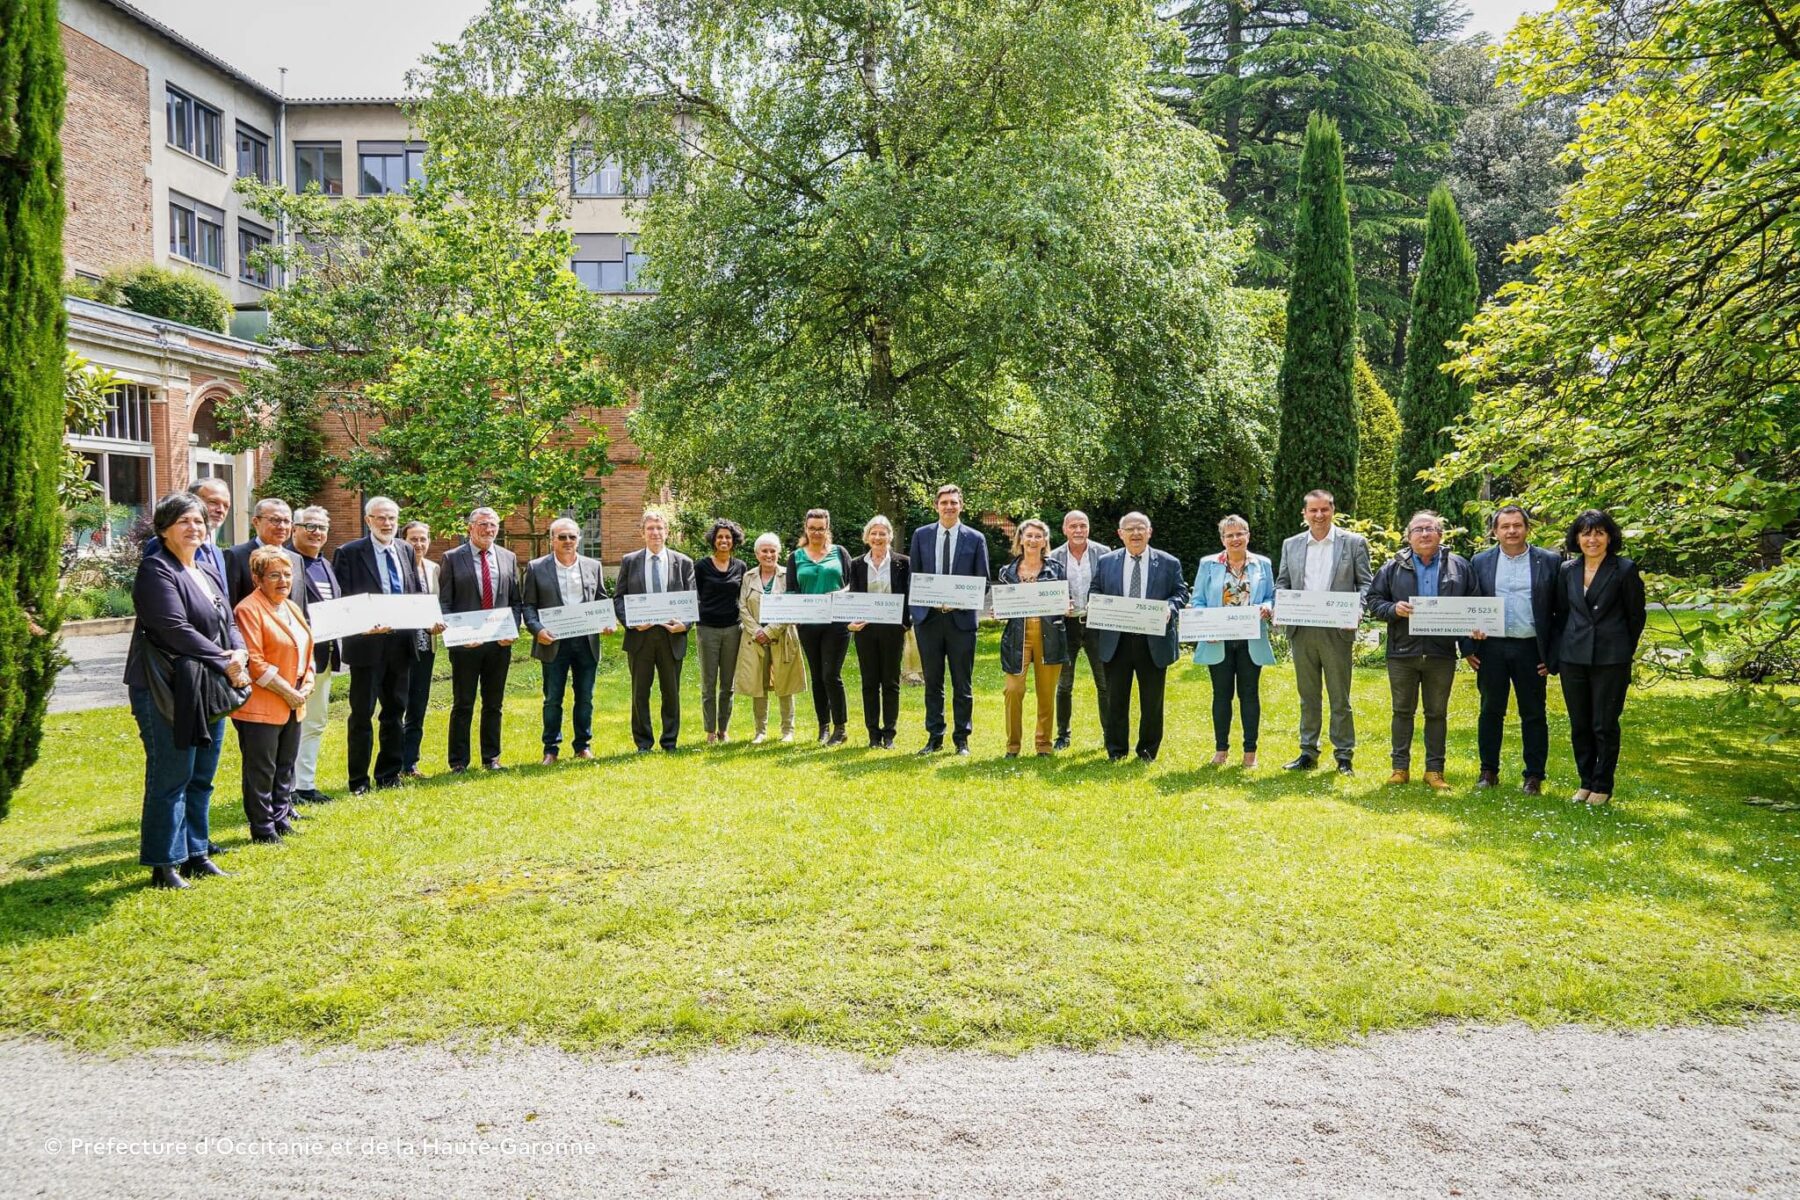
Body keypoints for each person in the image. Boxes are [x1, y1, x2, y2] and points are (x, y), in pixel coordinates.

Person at [126, 491, 250, 889]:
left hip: (207, 685)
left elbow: (227, 619)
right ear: (164, 529)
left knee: (202, 773)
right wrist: (224, 659)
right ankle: (165, 864)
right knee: (171, 774)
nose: (194, 527)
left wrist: (240, 651)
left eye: (198, 521)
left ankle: (197, 853)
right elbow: (172, 629)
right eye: (184, 521)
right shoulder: (156, 570)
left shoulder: (206, 567)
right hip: (166, 687)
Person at [1365, 511, 1481, 790]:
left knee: (1437, 713)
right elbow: (1373, 601)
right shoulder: (1393, 566)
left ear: (1441, 534)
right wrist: (1394, 609)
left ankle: (1434, 771)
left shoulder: (1459, 567)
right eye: (1418, 529)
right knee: (1402, 711)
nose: (1425, 534)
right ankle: (1399, 768)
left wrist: (1469, 643)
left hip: (1441, 653)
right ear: (1409, 537)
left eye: (1430, 528)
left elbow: (1473, 604)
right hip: (1402, 653)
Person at [333, 496, 436, 794]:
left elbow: (414, 591)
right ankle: (359, 781)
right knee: (362, 714)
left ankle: (389, 775)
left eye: (392, 518)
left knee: (395, 711)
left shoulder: (405, 549)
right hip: (367, 646)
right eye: (380, 518)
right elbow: (343, 601)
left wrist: (427, 619)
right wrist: (363, 623)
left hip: (400, 645)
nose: (387, 524)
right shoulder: (349, 553)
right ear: (368, 521)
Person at [1274, 489, 1373, 775]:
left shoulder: (1353, 543)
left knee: (1339, 696)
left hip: (1337, 630)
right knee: (1308, 695)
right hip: (1302, 629)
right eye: (1313, 510)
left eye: (1324, 510)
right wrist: (1280, 603)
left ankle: (1344, 756)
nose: (1319, 515)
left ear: (1333, 511)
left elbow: (1366, 583)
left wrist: (1357, 609)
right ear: (1304, 514)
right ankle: (1308, 752)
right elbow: (1282, 583)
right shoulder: (1291, 545)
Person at [1463, 505, 1561, 795]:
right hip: (1491, 648)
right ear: (1495, 532)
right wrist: (1469, 645)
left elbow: (1561, 611)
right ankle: (1488, 771)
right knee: (1490, 711)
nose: (1512, 531)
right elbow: (1468, 605)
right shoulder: (1479, 562)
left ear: (1527, 528)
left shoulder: (1549, 561)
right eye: (1505, 527)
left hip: (1532, 648)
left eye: (1517, 525)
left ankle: (1533, 776)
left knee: (1533, 713)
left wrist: (1551, 656)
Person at [1551, 509, 1647, 805]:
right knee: (1580, 723)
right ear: (1577, 538)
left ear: (1609, 537)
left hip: (1611, 658)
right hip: (1573, 657)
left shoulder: (1625, 569)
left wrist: (1621, 650)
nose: (1592, 539)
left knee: (1604, 724)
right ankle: (1585, 782)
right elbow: (1561, 613)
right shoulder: (1567, 570)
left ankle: (1602, 785)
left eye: (1599, 533)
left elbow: (1636, 617)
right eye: (1586, 533)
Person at [1090, 512, 1190, 762]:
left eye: (1140, 528)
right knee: (1115, 700)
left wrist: (1170, 607)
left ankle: (1147, 751)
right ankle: (1116, 750)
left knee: (1152, 702)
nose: (1135, 533)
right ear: (1120, 534)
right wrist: (1097, 605)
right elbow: (1096, 590)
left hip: (1153, 641)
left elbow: (1181, 592)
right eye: (1130, 529)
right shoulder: (1106, 562)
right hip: (1117, 641)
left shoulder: (1169, 562)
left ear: (1150, 532)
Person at [231, 547, 315, 844]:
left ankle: (281, 817)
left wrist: (308, 682)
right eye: (274, 575)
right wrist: (289, 691)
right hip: (263, 703)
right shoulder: (247, 609)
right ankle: (263, 828)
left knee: (285, 764)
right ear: (257, 578)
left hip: (294, 701)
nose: (283, 581)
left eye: (288, 575)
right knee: (261, 769)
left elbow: (307, 648)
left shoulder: (290, 607)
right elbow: (255, 662)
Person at [907, 484, 990, 755]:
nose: (949, 507)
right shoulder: (921, 535)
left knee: (962, 683)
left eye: (954, 502)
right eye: (944, 503)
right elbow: (915, 577)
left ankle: (962, 739)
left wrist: (959, 599)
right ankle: (934, 736)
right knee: (932, 681)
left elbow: (984, 582)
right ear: (936, 506)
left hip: (961, 621)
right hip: (928, 620)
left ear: (961, 506)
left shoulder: (975, 538)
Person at [1189, 515, 1275, 768]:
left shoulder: (1263, 564)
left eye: (1240, 533)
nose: (1235, 539)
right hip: (1218, 641)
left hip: (1251, 640)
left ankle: (1250, 752)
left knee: (1249, 695)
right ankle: (1221, 750)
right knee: (1221, 695)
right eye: (1230, 535)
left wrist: (1267, 608)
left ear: (1248, 536)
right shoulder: (1209, 564)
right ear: (1222, 539)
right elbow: (1198, 600)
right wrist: (1206, 628)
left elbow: (1271, 595)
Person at [438, 507, 520, 772]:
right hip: (466, 646)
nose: (489, 530)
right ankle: (459, 762)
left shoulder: (508, 558)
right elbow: (446, 603)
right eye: (483, 524)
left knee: (494, 703)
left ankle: (491, 757)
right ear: (470, 528)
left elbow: (515, 602)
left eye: (493, 525)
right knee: (463, 703)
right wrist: (458, 636)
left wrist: (512, 630)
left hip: (499, 644)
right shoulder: (452, 558)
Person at [521, 517, 607, 764]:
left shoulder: (593, 566)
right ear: (552, 540)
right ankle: (551, 749)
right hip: (553, 641)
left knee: (585, 697)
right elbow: (529, 605)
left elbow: (601, 598)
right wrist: (537, 630)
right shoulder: (537, 567)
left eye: (572, 536)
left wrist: (606, 619)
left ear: (578, 539)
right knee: (553, 698)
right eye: (562, 537)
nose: (568, 541)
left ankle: (583, 745)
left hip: (586, 640)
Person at [613, 509, 696, 752]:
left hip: (672, 637)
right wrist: (631, 621)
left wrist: (686, 624)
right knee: (640, 693)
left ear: (667, 532)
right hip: (641, 637)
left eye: (660, 528)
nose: (655, 533)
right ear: (642, 533)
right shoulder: (630, 561)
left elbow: (692, 600)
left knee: (671, 692)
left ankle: (669, 741)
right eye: (650, 528)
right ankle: (643, 743)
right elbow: (619, 598)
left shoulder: (683, 563)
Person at [996, 518, 1069, 757]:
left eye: (1038, 536)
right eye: (1029, 536)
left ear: (1045, 541)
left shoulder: (1056, 569)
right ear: (1020, 539)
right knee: (1013, 690)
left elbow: (1062, 600)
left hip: (1049, 636)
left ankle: (1043, 745)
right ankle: (1013, 746)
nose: (1033, 540)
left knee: (1046, 693)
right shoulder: (1007, 572)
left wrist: (1065, 605)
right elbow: (1004, 605)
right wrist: (999, 610)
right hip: (1018, 637)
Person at [787, 508, 854, 745]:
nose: (816, 532)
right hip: (808, 625)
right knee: (817, 677)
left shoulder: (840, 553)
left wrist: (839, 594)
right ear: (806, 529)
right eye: (812, 528)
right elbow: (791, 591)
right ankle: (823, 726)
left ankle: (841, 728)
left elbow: (852, 586)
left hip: (836, 625)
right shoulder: (796, 557)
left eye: (821, 528)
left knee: (831, 675)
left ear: (828, 529)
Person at [288, 506, 342, 805]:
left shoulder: (325, 565)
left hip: (324, 656)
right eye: (309, 526)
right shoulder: (288, 563)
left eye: (321, 527)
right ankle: (288, 787)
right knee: (293, 723)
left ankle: (305, 785)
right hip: (295, 660)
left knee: (316, 721)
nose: (316, 532)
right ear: (294, 529)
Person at [735, 532, 806, 743]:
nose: (769, 555)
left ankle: (787, 731)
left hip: (783, 638)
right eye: (764, 551)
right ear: (757, 554)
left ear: (779, 553)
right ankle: (760, 732)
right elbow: (742, 607)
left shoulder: (788, 575)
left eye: (773, 551)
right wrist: (757, 630)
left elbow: (792, 606)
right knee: (758, 685)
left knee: (786, 685)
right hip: (754, 639)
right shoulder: (748, 577)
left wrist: (770, 631)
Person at [847, 515, 911, 748]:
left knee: (891, 682)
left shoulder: (903, 562)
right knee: (870, 682)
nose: (877, 537)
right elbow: (853, 594)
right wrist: (851, 621)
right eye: (873, 533)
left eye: (882, 533)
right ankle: (873, 734)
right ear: (867, 537)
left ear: (889, 536)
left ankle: (889, 733)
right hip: (865, 630)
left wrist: (905, 623)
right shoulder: (856, 564)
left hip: (893, 630)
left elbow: (909, 593)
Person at [1048, 511, 1111, 750]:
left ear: (1089, 528)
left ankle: (1109, 734)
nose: (1078, 530)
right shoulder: (1054, 556)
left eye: (1082, 525)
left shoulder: (1104, 553)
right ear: (1064, 529)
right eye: (1073, 526)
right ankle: (1063, 736)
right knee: (1064, 684)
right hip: (1067, 626)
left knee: (1104, 683)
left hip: (1097, 624)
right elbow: (1050, 590)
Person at [695, 519, 747, 744]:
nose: (724, 540)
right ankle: (709, 731)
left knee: (728, 684)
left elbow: (744, 597)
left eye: (728, 537)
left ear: (734, 540)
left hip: (733, 629)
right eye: (720, 537)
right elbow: (692, 596)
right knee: (709, 682)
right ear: (713, 541)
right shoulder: (701, 566)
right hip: (707, 630)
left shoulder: (741, 567)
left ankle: (723, 729)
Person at [399, 520, 441, 779]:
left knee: (418, 704)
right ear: (403, 540)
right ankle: (391, 763)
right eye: (413, 539)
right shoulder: (397, 567)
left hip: (427, 647)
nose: (418, 544)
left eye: (423, 539)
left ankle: (410, 763)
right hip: (400, 647)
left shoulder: (434, 568)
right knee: (396, 705)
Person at [223, 499, 304, 609]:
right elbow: (230, 605)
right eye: (275, 520)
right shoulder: (236, 556)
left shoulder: (296, 559)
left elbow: (302, 608)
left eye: (286, 521)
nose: (282, 526)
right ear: (256, 522)